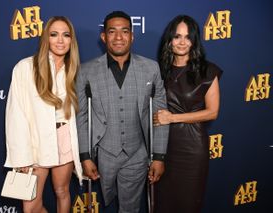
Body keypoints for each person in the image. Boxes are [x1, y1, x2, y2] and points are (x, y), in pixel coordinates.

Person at [76, 11, 169, 213]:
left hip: (137, 153)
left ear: (132, 36)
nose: (119, 37)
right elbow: (81, 116)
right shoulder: (86, 71)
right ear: (104, 37)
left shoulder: (151, 69)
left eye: (124, 31)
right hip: (104, 152)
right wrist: (85, 156)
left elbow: (160, 114)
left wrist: (159, 157)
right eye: (112, 32)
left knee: (130, 208)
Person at [4, 16, 83, 213]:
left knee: (62, 191)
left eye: (66, 35)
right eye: (54, 34)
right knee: (30, 206)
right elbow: (16, 114)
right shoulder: (25, 67)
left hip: (64, 138)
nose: (60, 40)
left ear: (71, 41)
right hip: (35, 142)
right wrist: (21, 156)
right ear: (45, 38)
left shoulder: (73, 71)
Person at [153, 15, 223, 213]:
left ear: (194, 41)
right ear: (169, 40)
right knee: (163, 204)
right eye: (177, 37)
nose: (182, 42)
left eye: (188, 37)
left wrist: (173, 117)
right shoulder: (158, 70)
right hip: (163, 148)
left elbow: (212, 112)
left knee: (188, 205)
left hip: (192, 149)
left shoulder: (207, 71)